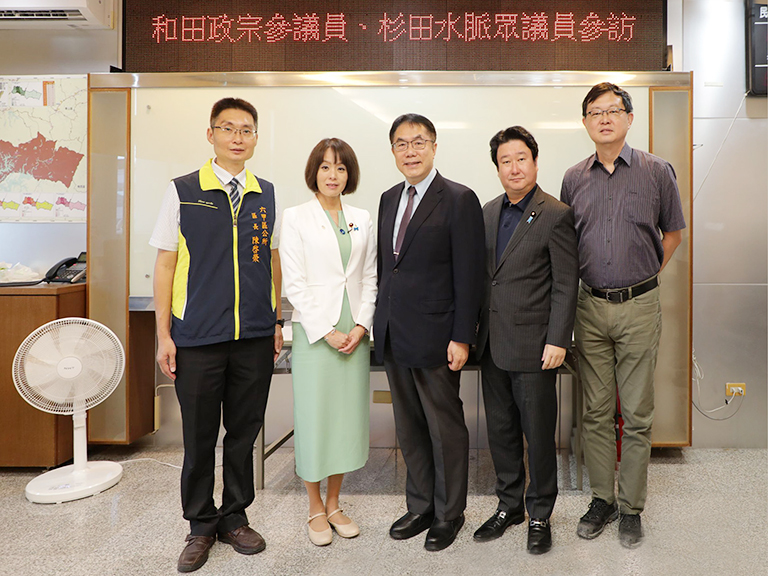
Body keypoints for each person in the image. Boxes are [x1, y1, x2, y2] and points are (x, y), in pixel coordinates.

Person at [150, 97, 284, 573]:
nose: (237, 137)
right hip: (198, 337)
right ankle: (200, 524)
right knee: (200, 436)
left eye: (246, 130)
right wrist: (164, 334)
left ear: (255, 138)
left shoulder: (266, 193)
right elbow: (165, 264)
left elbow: (272, 260)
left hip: (253, 336)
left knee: (244, 433)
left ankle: (235, 518)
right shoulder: (183, 190)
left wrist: (275, 321)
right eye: (228, 128)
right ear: (211, 135)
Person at [560, 83, 686, 548]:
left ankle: (631, 508)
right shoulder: (574, 178)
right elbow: (567, 245)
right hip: (589, 306)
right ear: (586, 123)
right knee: (594, 412)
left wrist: (644, 276)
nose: (605, 118)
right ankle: (602, 500)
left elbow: (673, 233)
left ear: (629, 118)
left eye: (613, 110)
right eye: (595, 112)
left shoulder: (656, 171)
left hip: (639, 306)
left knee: (636, 412)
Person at [374, 113, 485, 552]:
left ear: (434, 147)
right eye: (401, 144)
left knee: (445, 428)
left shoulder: (458, 198)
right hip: (394, 333)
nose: (411, 151)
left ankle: (449, 513)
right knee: (409, 427)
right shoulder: (388, 198)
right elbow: (388, 268)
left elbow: (469, 274)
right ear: (393, 151)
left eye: (419, 142)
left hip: (438, 335)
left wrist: (462, 336)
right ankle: (420, 506)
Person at [474, 126, 579, 554]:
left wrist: (558, 340)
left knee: (537, 435)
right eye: (505, 161)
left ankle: (540, 513)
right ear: (497, 168)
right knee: (500, 431)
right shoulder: (487, 212)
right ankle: (509, 505)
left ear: (535, 163)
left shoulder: (555, 213)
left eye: (521, 159)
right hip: (491, 345)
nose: (514, 168)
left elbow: (565, 283)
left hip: (536, 347)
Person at [279, 138, 377, 546]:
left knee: (344, 419)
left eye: (340, 167)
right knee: (315, 417)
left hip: (354, 331)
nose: (332, 175)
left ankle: (335, 503)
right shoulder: (296, 217)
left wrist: (361, 325)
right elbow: (294, 283)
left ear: (349, 174)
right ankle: (314, 506)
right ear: (313, 172)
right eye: (325, 167)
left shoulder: (361, 217)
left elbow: (369, 276)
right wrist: (327, 330)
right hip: (315, 332)